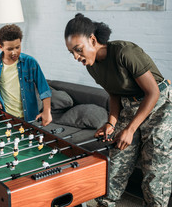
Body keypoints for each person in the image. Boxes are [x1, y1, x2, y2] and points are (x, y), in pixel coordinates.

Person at [64, 13, 172, 207]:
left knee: (155, 172)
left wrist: (130, 130)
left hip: (159, 107)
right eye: (71, 52)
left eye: (78, 50)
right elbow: (114, 94)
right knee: (116, 163)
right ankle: (105, 203)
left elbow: (153, 92)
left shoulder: (125, 52)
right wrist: (111, 123)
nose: (75, 57)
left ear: (93, 40)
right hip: (130, 107)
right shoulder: (92, 65)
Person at [0, 24, 52, 126]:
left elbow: (44, 89)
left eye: (17, 47)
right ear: (1, 47)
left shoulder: (30, 62)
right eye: (10, 49)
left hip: (29, 117)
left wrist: (47, 111)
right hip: (6, 116)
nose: (14, 52)